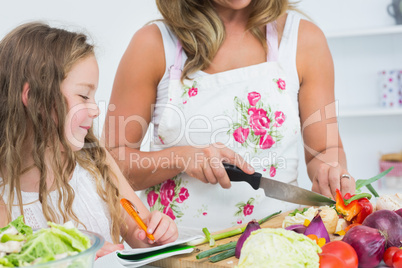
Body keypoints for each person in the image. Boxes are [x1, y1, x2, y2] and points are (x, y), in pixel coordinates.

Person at [103, 0, 355, 232]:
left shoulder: (303, 39)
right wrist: (180, 158)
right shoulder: (153, 43)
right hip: (177, 252)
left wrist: (330, 170)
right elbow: (109, 163)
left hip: (278, 246)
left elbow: (325, 148)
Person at [0, 22, 178, 258]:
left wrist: (157, 231)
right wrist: (73, 257)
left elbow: (141, 234)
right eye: (83, 96)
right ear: (35, 99)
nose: (95, 110)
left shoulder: (94, 159)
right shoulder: (5, 190)